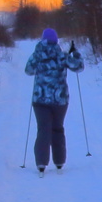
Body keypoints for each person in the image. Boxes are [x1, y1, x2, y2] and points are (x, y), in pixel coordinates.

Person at [24, 28, 84, 173]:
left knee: (43, 130)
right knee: (58, 128)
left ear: (42, 40)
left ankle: (41, 163)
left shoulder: (37, 55)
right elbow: (78, 67)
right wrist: (75, 53)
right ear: (56, 41)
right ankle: (59, 162)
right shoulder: (62, 56)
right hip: (60, 100)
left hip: (40, 99)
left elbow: (28, 71)